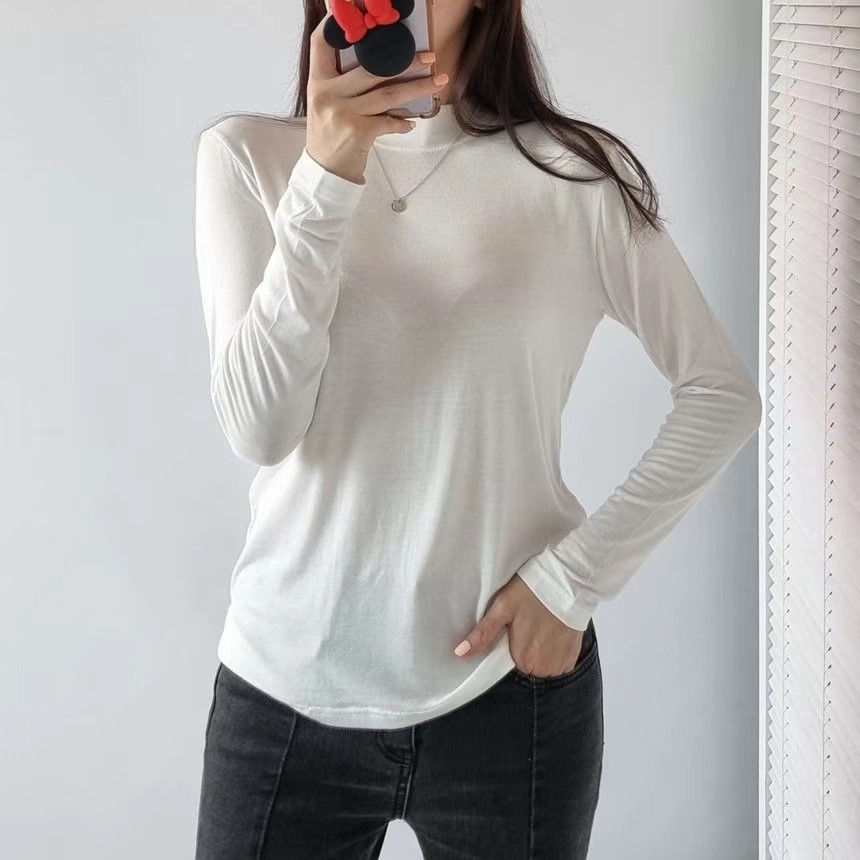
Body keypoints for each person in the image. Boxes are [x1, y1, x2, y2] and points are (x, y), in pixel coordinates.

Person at [192, 2, 763, 857]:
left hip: (507, 699)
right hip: (282, 698)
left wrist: (571, 582)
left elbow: (721, 395)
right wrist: (327, 175)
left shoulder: (571, 179)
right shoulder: (247, 159)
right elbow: (261, 428)